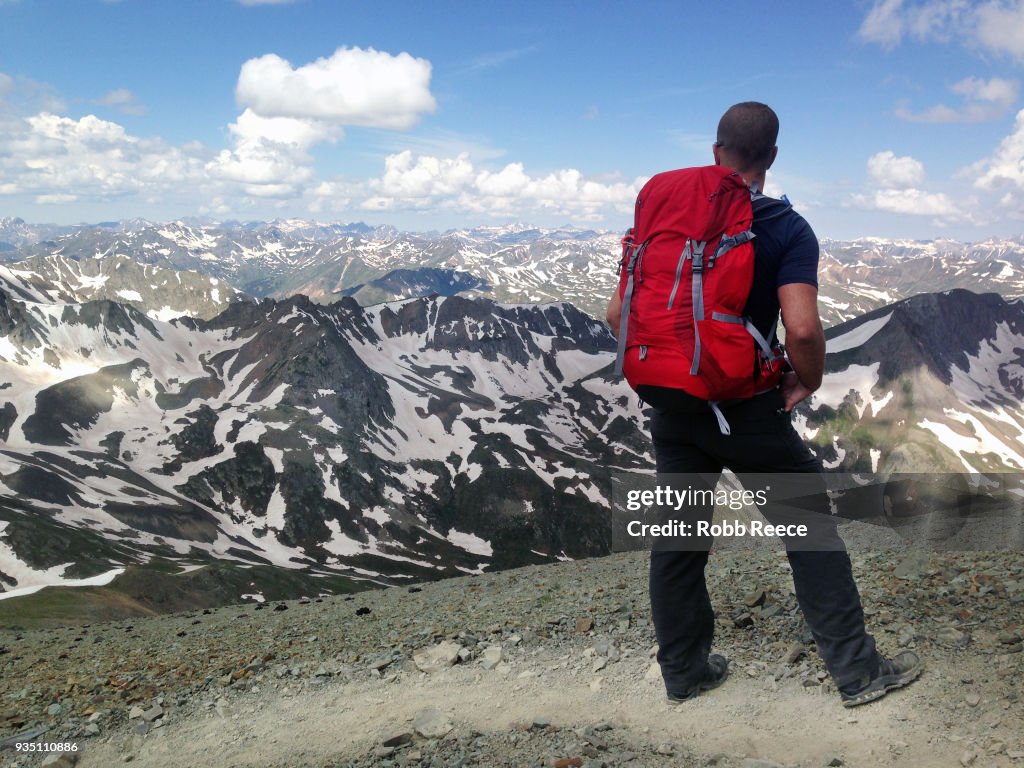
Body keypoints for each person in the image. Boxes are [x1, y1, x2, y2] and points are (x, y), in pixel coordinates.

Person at [606, 102, 922, 707]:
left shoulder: (665, 219)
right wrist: (804, 380)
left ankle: (685, 673)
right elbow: (801, 330)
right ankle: (858, 673)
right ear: (772, 158)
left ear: (715, 150)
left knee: (679, 540)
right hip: (748, 409)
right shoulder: (785, 228)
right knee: (810, 534)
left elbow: (618, 315)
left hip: (674, 407)